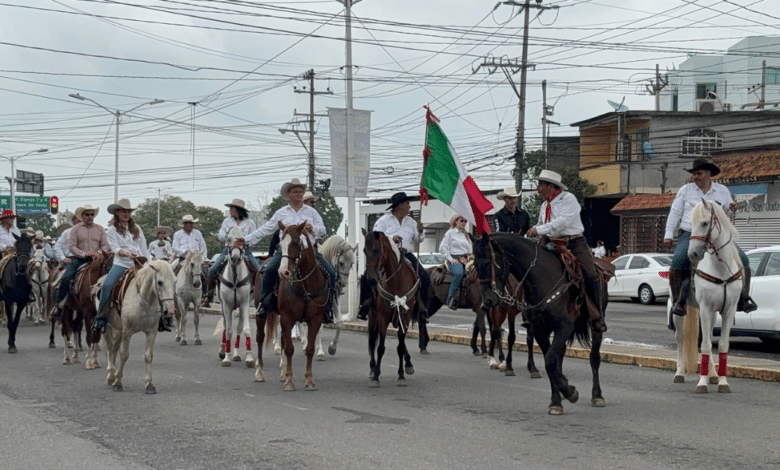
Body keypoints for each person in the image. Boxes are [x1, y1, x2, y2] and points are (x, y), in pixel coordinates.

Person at [664, 158, 757, 316]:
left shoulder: (722, 191)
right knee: (678, 260)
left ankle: (744, 298)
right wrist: (668, 235)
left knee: (743, 259)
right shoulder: (685, 190)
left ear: (708, 174)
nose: (696, 177)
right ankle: (678, 302)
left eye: (699, 173)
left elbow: (726, 214)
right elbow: (675, 214)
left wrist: (732, 208)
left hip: (717, 236)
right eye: (694, 174)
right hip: (691, 234)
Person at [526, 170, 607, 333]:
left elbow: (562, 222)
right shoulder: (544, 205)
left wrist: (538, 229)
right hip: (551, 243)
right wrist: (527, 238)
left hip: (574, 243)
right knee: (532, 270)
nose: (538, 188)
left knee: (591, 274)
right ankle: (533, 312)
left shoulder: (568, 199)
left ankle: (597, 315)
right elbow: (542, 226)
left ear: (550, 186)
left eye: (541, 185)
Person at [246, 178, 337, 324]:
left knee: (332, 274)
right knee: (268, 271)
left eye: (300, 192)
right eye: (295, 192)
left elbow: (323, 230)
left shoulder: (312, 212)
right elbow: (265, 229)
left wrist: (313, 228)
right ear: (288, 195)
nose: (299, 194)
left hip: (309, 251)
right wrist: (245, 240)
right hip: (286, 252)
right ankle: (264, 304)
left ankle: (327, 308)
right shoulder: (281, 213)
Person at [360, 191, 431, 320]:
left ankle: (422, 308)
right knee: (367, 276)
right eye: (407, 203)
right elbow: (376, 238)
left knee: (425, 278)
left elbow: (418, 239)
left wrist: (421, 232)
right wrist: (391, 239)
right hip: (387, 256)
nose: (409, 206)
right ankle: (364, 306)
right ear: (400, 206)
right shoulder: (383, 221)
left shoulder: (411, 222)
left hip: (406, 254)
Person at [93, 198, 155, 333]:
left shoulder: (137, 228)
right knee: (107, 285)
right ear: (117, 213)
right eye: (123, 211)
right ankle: (100, 318)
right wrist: (126, 253)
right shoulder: (112, 230)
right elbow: (114, 248)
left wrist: (150, 262)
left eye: (128, 211)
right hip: (121, 264)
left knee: (157, 282)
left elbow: (144, 248)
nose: (126, 214)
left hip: (139, 263)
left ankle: (161, 317)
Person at [53, 204, 110, 319]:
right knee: (66, 277)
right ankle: (59, 304)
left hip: (97, 259)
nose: (90, 217)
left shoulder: (100, 229)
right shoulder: (75, 229)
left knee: (112, 276)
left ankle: (113, 304)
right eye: (87, 214)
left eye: (92, 214)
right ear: (82, 216)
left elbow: (106, 245)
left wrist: (98, 253)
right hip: (79, 259)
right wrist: (85, 253)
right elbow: (72, 246)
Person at [204, 198, 260, 308]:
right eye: (230, 209)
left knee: (259, 270)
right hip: (228, 250)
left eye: (232, 209)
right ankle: (209, 296)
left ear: (239, 210)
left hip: (245, 249)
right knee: (212, 269)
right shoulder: (227, 221)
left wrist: (245, 240)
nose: (230, 211)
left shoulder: (250, 223)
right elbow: (220, 234)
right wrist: (228, 237)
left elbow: (255, 238)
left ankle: (257, 294)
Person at [439, 214, 472, 310]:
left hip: (465, 259)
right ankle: (450, 299)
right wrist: (450, 258)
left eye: (465, 221)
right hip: (454, 258)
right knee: (458, 273)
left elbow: (470, 250)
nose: (464, 223)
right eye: (462, 221)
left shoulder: (466, 235)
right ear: (456, 222)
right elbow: (442, 248)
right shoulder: (450, 233)